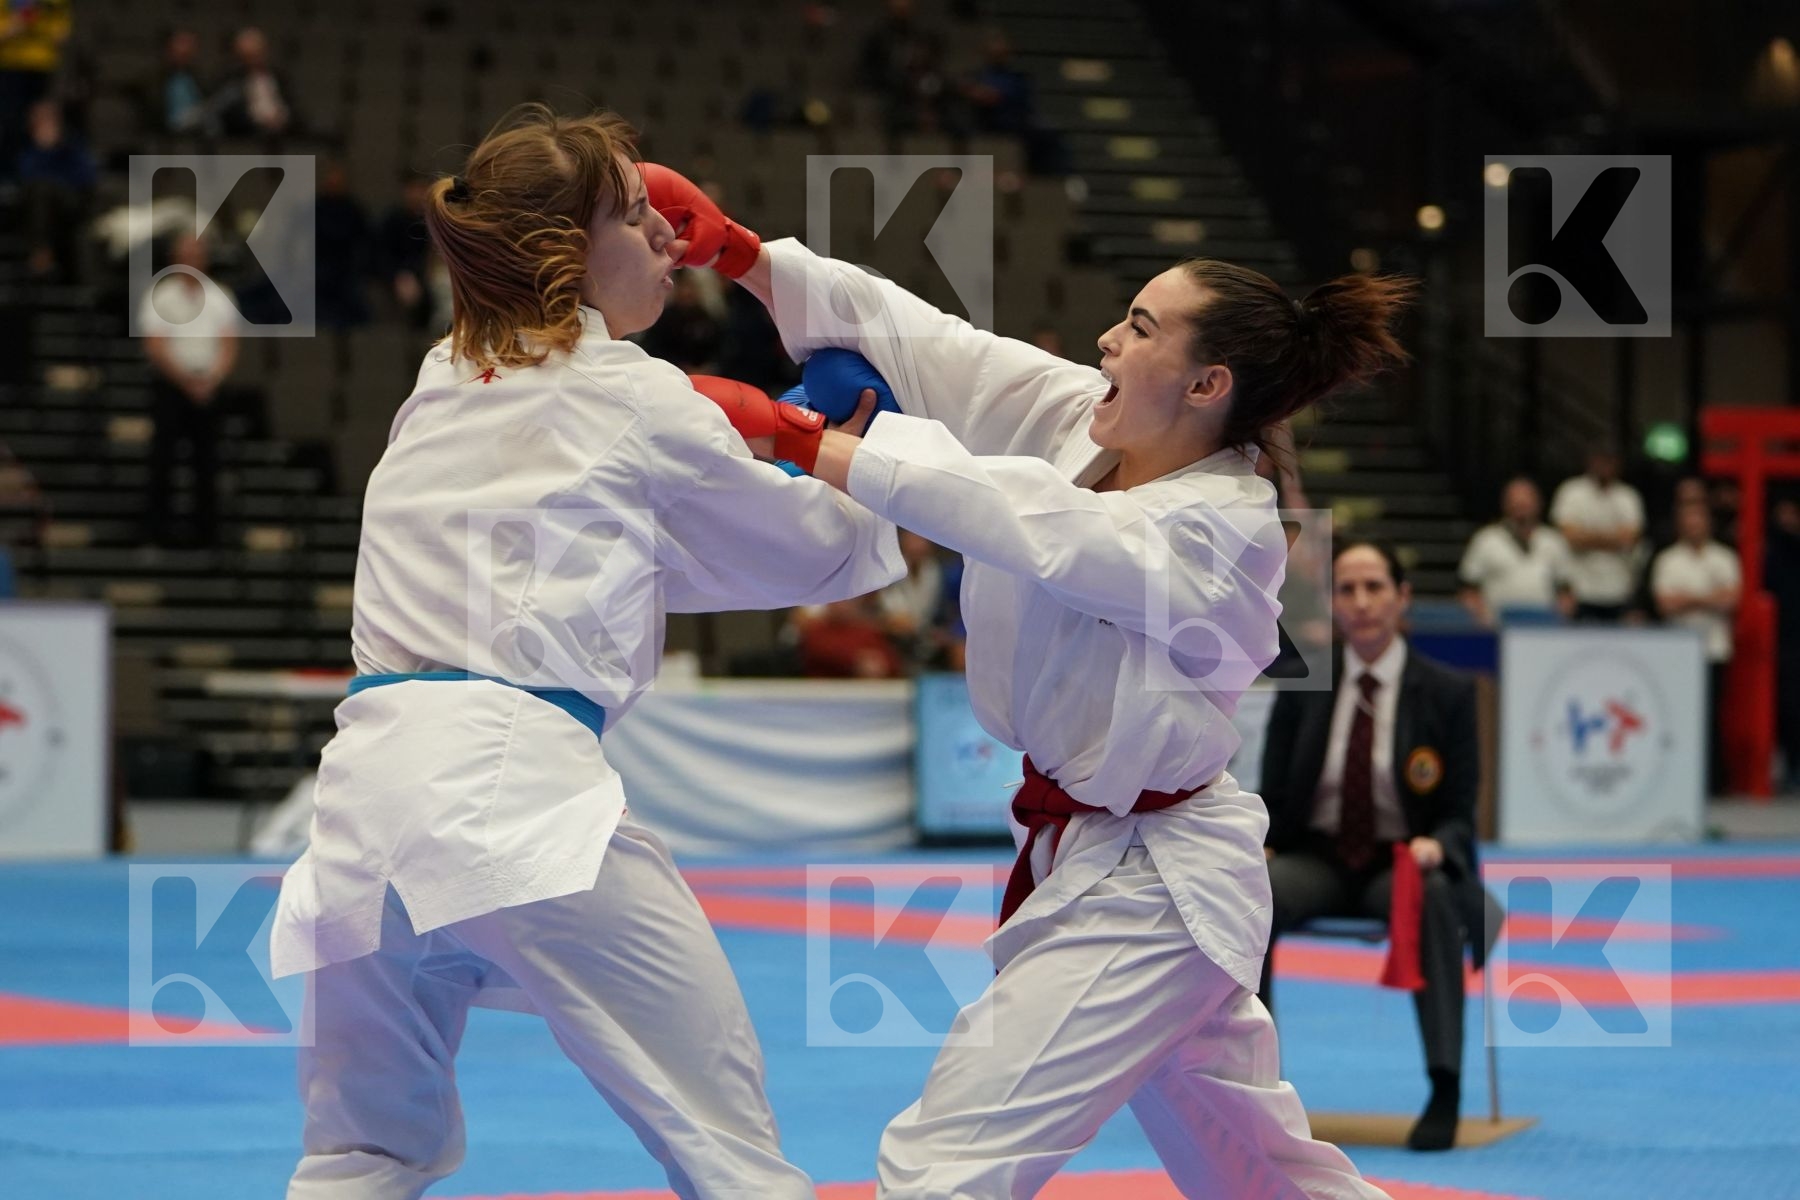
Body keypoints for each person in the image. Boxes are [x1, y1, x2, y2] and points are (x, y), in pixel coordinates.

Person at [643, 162, 1409, 1198]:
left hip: (1152, 887)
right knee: (1260, 1172)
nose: (1108, 340)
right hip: (1108, 859)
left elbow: (1041, 530)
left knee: (944, 1161)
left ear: (1206, 385)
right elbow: (937, 346)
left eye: (1141, 329)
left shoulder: (1226, 528)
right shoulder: (1085, 425)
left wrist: (806, 442)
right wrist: (739, 254)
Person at [268, 106, 903, 1200]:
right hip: (515, 802)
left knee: (363, 1156)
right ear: (566, 254)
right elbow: (815, 556)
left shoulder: (435, 383)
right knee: (727, 1146)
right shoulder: (632, 393)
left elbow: (635, 560)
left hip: (362, 817)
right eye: (639, 216)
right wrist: (853, 442)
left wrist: (780, 440)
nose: (668, 236)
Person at [1259, 541, 1492, 1151]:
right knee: (1248, 897)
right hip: (1319, 858)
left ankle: (1445, 1086)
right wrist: (1257, 847)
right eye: (1346, 590)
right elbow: (1273, 798)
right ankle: (1251, 1086)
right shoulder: (1304, 686)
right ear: (1333, 603)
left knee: (1435, 896)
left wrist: (1438, 845)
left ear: (1402, 597)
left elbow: (1460, 813)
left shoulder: (1447, 693)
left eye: (1374, 588)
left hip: (1403, 861)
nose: (1361, 603)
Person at [139, 232, 237, 547]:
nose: (192, 259)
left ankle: (206, 535)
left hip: (208, 387)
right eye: (186, 253)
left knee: (207, 463)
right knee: (163, 460)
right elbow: (155, 345)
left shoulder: (220, 296)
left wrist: (211, 380)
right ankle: (157, 532)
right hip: (171, 387)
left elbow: (229, 344)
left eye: (198, 253)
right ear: (175, 258)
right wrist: (186, 381)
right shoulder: (161, 295)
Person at [1651, 500, 1741, 795]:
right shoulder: (1668, 560)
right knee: (1677, 715)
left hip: (1714, 647)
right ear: (1680, 526)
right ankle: (1677, 779)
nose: (1694, 527)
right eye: (1688, 522)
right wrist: (1707, 599)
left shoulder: (1724, 558)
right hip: (1676, 653)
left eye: (1698, 521)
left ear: (1708, 524)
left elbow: (1731, 599)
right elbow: (1665, 604)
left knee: (1712, 716)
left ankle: (1714, 782)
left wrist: (1687, 600)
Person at [1457, 476, 1574, 626]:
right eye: (1516, 503)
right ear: (1505, 505)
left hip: (1543, 628)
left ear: (1538, 504)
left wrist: (1559, 618)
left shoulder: (1553, 541)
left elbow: (1566, 591)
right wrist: (1480, 619)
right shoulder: (1486, 540)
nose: (1521, 509)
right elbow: (1468, 589)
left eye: (1526, 503)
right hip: (1497, 628)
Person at [1550, 448, 1644, 622]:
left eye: (1609, 460)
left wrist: (1586, 537)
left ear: (1618, 464)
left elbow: (1630, 539)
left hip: (1619, 588)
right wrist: (1614, 539)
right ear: (1590, 461)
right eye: (1600, 460)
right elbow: (1569, 538)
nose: (1604, 465)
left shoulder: (1628, 496)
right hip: (1580, 589)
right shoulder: (1571, 492)